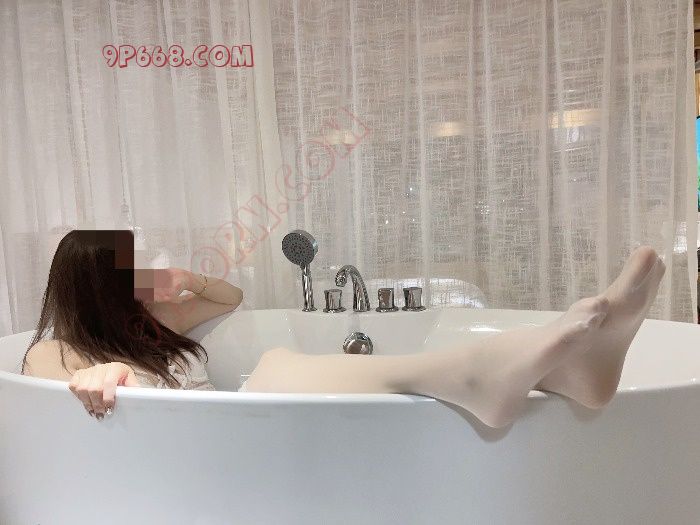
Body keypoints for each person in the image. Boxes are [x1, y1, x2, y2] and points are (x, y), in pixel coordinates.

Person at [22, 230, 665, 429]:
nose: (147, 277)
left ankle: (542, 370)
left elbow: (231, 296)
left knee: (276, 362)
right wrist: (103, 375)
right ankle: (492, 372)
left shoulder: (153, 322)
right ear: (95, 287)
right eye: (132, 272)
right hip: (204, 447)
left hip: (235, 430)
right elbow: (70, 388)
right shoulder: (54, 352)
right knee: (276, 368)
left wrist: (181, 279)